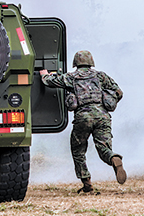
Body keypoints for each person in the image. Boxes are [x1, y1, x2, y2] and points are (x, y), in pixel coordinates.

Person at [40, 50, 126, 194]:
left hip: (83, 117)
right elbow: (119, 92)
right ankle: (113, 158)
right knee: (103, 148)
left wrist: (44, 74)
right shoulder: (100, 76)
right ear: (91, 62)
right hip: (103, 117)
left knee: (78, 150)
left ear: (75, 63)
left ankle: (87, 184)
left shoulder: (71, 77)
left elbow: (49, 82)